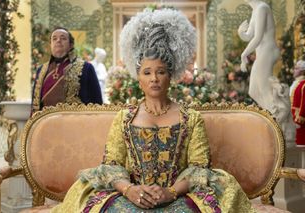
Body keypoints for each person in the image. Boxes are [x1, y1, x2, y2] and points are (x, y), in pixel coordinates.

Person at [52, 9, 255, 212]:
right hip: (130, 196)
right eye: (147, 72)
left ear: (171, 76)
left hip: (179, 196)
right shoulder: (125, 118)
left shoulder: (191, 118)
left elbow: (199, 168)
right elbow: (111, 165)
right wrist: (130, 190)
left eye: (161, 72)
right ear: (138, 78)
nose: (154, 79)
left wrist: (171, 192)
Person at [31, 27, 102, 113]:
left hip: (75, 123)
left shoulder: (86, 68)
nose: (58, 40)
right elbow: (35, 106)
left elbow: (97, 104)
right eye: (54, 39)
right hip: (45, 124)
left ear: (71, 45)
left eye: (63, 38)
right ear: (50, 44)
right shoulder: (41, 70)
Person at [238, 0, 280, 113]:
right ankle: (271, 113)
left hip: (268, 51)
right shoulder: (255, 10)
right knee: (253, 91)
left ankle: (276, 118)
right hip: (262, 53)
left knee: (264, 89)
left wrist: (244, 54)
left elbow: (258, 37)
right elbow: (249, 36)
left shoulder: (262, 8)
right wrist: (241, 33)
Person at [290, 60, 305, 147]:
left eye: (297, 68)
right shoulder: (296, 83)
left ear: (303, 71)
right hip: (292, 119)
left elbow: (304, 104)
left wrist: (299, 120)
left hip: (299, 122)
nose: (294, 71)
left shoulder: (303, 84)